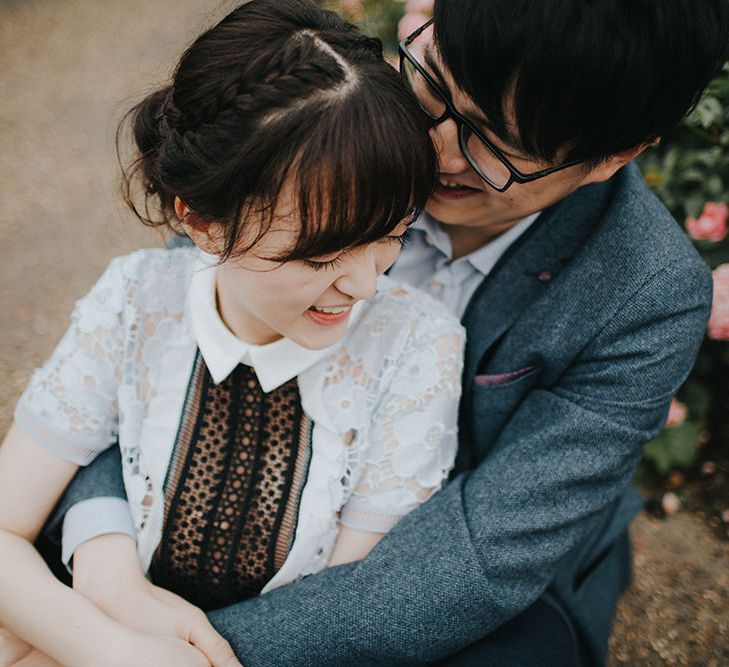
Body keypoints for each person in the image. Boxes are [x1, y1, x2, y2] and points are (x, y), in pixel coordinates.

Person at [24, 0, 729, 665]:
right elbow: (153, 348)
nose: (439, 151)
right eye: (437, 90)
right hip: (180, 501)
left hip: (432, 564)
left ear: (615, 155)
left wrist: (189, 650)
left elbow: (483, 551)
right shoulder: (340, 113)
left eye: (495, 145)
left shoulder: (646, 292)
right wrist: (107, 569)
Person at [0, 1, 467, 665]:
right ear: (199, 222)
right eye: (321, 256)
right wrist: (111, 645)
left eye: (391, 234)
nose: (366, 284)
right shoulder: (136, 301)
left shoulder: (415, 347)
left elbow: (342, 611)